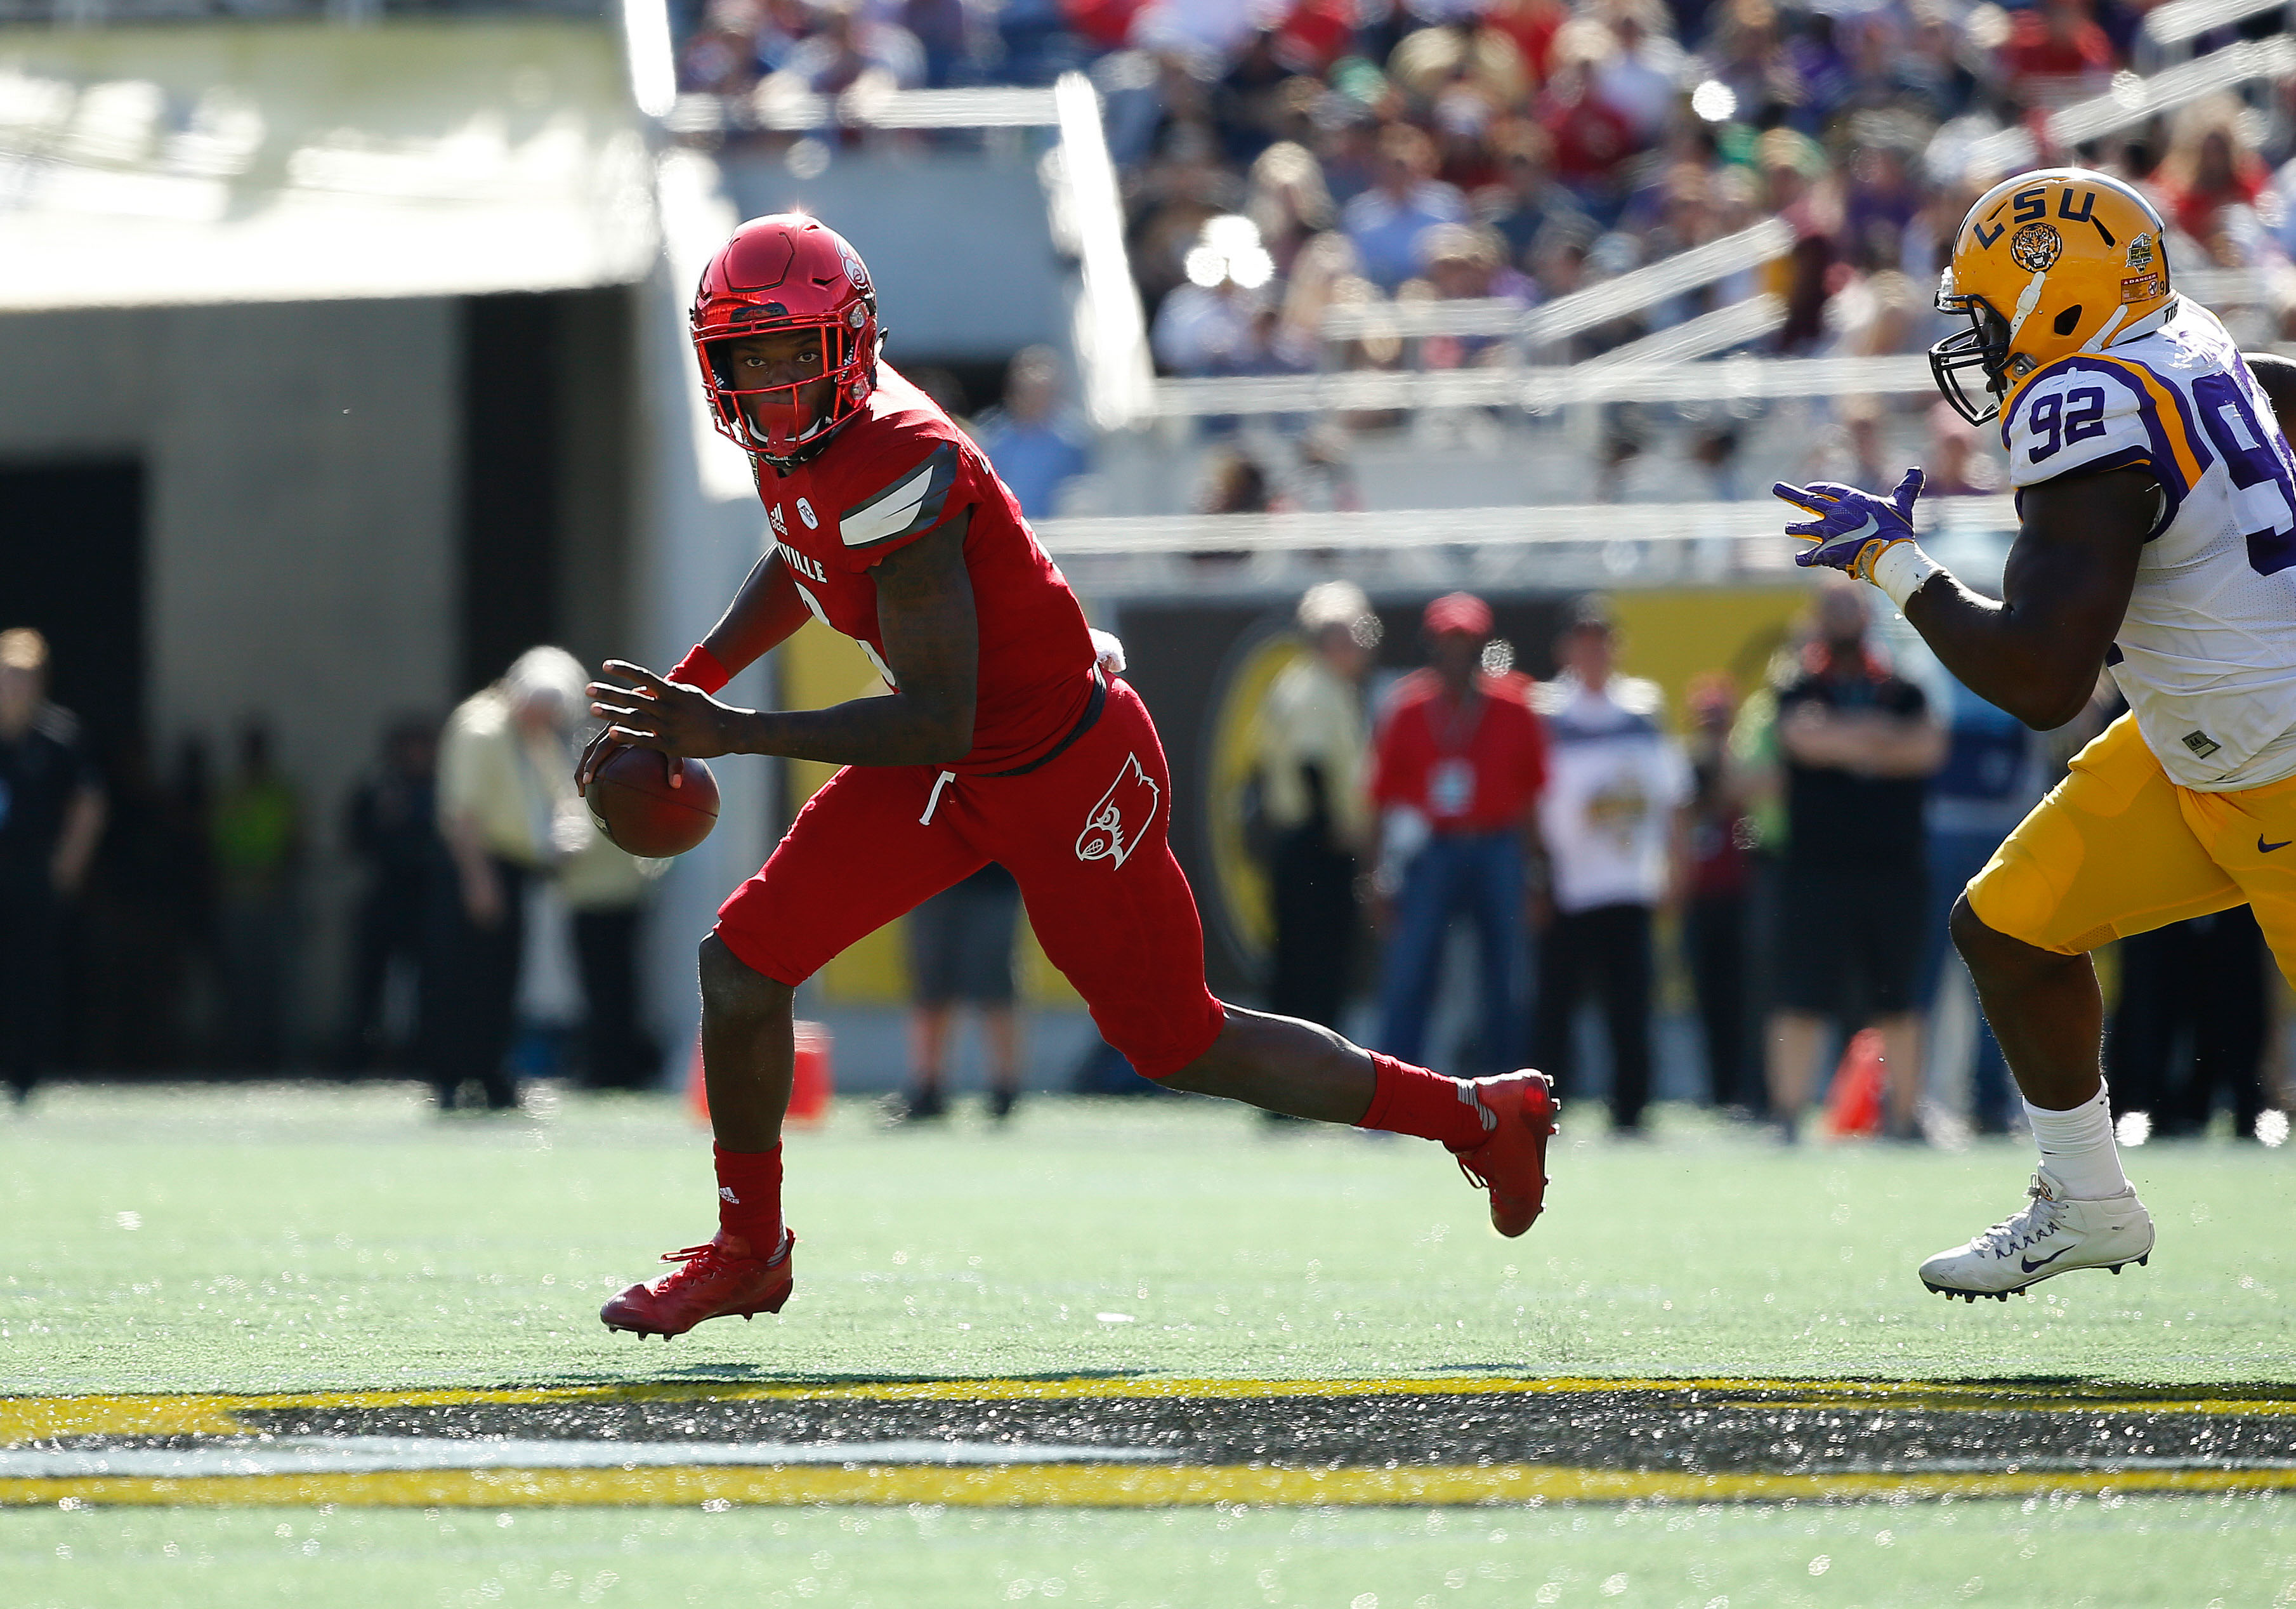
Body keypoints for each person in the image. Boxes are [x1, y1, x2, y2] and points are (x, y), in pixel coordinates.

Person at [577, 216, 1557, 1337]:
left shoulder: (900, 456)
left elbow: (938, 720)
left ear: (845, 344)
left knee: (1177, 1040)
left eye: (789, 354)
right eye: (744, 359)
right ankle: (750, 1252)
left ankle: (1480, 1118)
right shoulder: (801, 439)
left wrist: (733, 731)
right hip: (959, 763)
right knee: (741, 968)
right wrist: (682, 686)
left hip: (1060, 767)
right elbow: (806, 552)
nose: (767, 383)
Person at [1771, 167, 2296, 1300]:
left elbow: (2042, 678)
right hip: (2197, 744)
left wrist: (1889, 565)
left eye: (1989, 312)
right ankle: (2086, 1198)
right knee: (2010, 930)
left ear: (2060, 298)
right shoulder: (2181, 333)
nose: (1979, 343)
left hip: (2276, 769)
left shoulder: (2081, 406)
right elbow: (2266, 393)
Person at [1758, 581, 1942, 1143]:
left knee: (1900, 997)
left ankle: (1906, 1118)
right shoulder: (1797, 686)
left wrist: (1845, 740)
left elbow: (1927, 749)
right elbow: (1801, 741)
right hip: (1815, 870)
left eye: (1850, 610)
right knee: (1800, 994)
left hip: (1893, 868)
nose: (1841, 621)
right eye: (1831, 611)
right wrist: (1882, 743)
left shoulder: (1904, 688)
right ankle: (1788, 1116)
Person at [1366, 593, 1548, 1078]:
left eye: (1466, 644)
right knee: (1410, 973)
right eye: (1447, 644)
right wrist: (1375, 875)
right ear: (1431, 647)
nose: (1456, 655)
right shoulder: (1407, 707)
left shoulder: (1514, 705)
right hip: (1434, 849)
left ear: (1483, 646)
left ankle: (1508, 1092)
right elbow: (1380, 799)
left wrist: (1535, 871)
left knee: (1506, 978)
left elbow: (1531, 796)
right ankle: (1393, 1089)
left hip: (1497, 845)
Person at [1528, 601, 1689, 1135]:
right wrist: (1537, 872)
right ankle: (1547, 1105)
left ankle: (1631, 1108)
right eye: (1583, 642)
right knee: (1555, 1003)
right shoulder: (1546, 711)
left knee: (1630, 1003)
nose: (1593, 653)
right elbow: (1530, 800)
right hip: (1566, 881)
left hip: (1628, 879)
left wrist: (1675, 863)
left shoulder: (1642, 709)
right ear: (1566, 650)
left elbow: (1672, 794)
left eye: (1602, 641)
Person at [428, 647, 588, 1112]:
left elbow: (557, 798)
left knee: (499, 978)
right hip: (476, 864)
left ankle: (490, 1072)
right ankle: (452, 1077)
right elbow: (463, 812)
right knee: (461, 976)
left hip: (510, 868)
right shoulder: (481, 727)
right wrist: (479, 880)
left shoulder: (528, 735)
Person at [1256, 580, 1376, 1041]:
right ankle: (1309, 1074)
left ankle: (1298, 1076)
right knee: (1314, 962)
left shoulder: (1313, 685)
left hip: (1306, 841)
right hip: (1314, 843)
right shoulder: (1314, 687)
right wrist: (1333, 830)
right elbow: (1311, 764)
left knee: (1303, 962)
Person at [0, 629, 105, 1105]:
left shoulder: (60, 735)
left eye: (22, 675)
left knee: (32, 973)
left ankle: (27, 1076)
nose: (13, 685)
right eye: (5, 674)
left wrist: (66, 866)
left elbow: (89, 803)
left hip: (32, 868)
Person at [342, 718, 443, 1070]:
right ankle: (359, 1055)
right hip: (387, 892)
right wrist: (385, 823)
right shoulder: (378, 787)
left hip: (427, 895)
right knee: (368, 980)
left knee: (429, 984)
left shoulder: (441, 788)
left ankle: (425, 1055)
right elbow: (356, 839)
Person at [895, 862, 1027, 1122]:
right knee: (931, 987)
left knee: (995, 986)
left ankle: (1005, 1088)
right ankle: (928, 1087)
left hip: (993, 880)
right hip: (930, 877)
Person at [1680, 671, 1756, 1114]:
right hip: (1700, 896)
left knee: (1743, 997)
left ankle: (1746, 1089)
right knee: (1707, 998)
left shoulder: (1742, 764)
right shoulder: (1685, 766)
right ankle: (1717, 1088)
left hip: (1739, 895)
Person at [209, 721, 302, 1071]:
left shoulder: (282, 793)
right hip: (236, 898)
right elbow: (214, 844)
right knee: (239, 981)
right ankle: (240, 1055)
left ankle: (283, 1058)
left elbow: (295, 843)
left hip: (274, 898)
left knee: (280, 980)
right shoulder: (228, 794)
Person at [969, 346, 1090, 522]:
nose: (1033, 398)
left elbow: (1084, 488)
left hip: (1058, 535)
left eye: (1042, 391)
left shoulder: (1074, 441)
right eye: (1026, 390)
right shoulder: (991, 436)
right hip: (1006, 530)